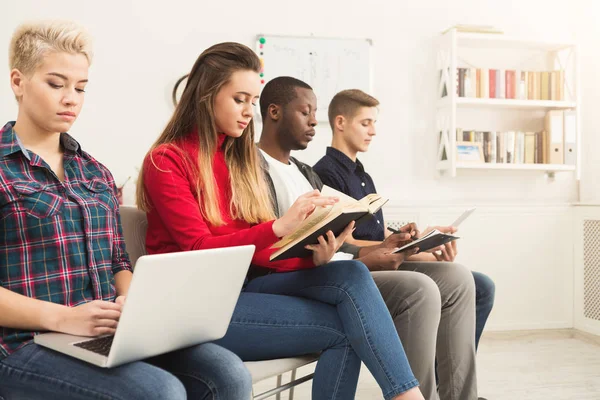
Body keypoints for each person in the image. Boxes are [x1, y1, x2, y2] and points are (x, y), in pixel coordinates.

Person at [138, 42, 425, 400]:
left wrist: (315, 255)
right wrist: (278, 227)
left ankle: (407, 396)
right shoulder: (166, 161)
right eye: (239, 99)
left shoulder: (233, 160)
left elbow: (254, 251)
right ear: (206, 96)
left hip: (240, 291)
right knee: (352, 328)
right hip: (193, 306)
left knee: (351, 274)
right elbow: (199, 249)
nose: (248, 112)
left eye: (251, 101)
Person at [0, 21, 255, 400]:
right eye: (56, 84)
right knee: (160, 392)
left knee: (227, 372)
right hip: (24, 344)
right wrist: (66, 318)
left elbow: (118, 261)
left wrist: (136, 310)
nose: (71, 98)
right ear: (18, 82)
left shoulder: (95, 172)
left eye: (81, 88)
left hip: (104, 335)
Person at [257, 77, 479, 400]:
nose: (313, 123)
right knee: (420, 290)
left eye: (314, 113)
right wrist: (370, 253)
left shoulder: (310, 173)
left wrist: (413, 243)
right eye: (306, 113)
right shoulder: (271, 168)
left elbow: (343, 236)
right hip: (315, 273)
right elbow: (285, 238)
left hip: (332, 264)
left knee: (464, 280)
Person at [315, 88, 497, 400]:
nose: (373, 130)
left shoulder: (363, 176)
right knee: (439, 286)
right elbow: (342, 242)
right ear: (341, 122)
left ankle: (458, 395)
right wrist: (394, 246)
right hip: (359, 271)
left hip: (387, 261)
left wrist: (420, 242)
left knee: (465, 278)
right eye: (366, 122)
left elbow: (376, 232)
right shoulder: (325, 174)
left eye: (375, 123)